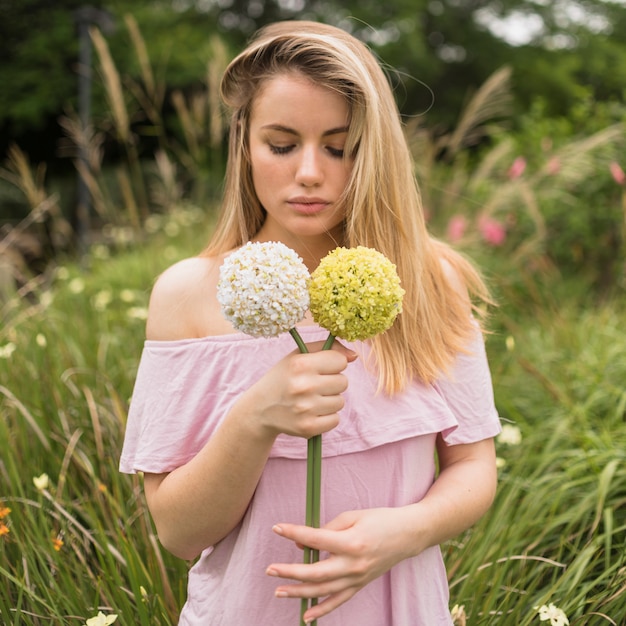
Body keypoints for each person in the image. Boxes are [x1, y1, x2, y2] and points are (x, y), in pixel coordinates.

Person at [119, 20, 501, 626]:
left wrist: (406, 531)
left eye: (339, 147)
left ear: (374, 150)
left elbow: (474, 465)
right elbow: (178, 533)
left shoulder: (429, 283)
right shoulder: (189, 295)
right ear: (245, 143)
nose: (309, 173)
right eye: (281, 143)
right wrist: (255, 417)